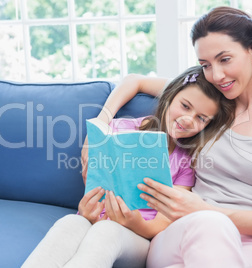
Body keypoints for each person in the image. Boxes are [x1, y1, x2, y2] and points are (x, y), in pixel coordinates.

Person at [81, 6, 252, 268]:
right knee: (209, 226)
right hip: (185, 231)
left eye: (225, 59)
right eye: (206, 65)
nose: (217, 75)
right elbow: (135, 81)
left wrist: (205, 210)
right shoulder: (210, 100)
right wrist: (100, 125)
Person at [22, 65, 235, 268]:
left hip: (137, 237)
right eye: (185, 106)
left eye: (201, 118)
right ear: (169, 97)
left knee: (107, 231)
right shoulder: (120, 129)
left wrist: (133, 222)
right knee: (69, 223)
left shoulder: (187, 160)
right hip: (95, 219)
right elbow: (94, 184)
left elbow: (163, 222)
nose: (188, 120)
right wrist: (87, 212)